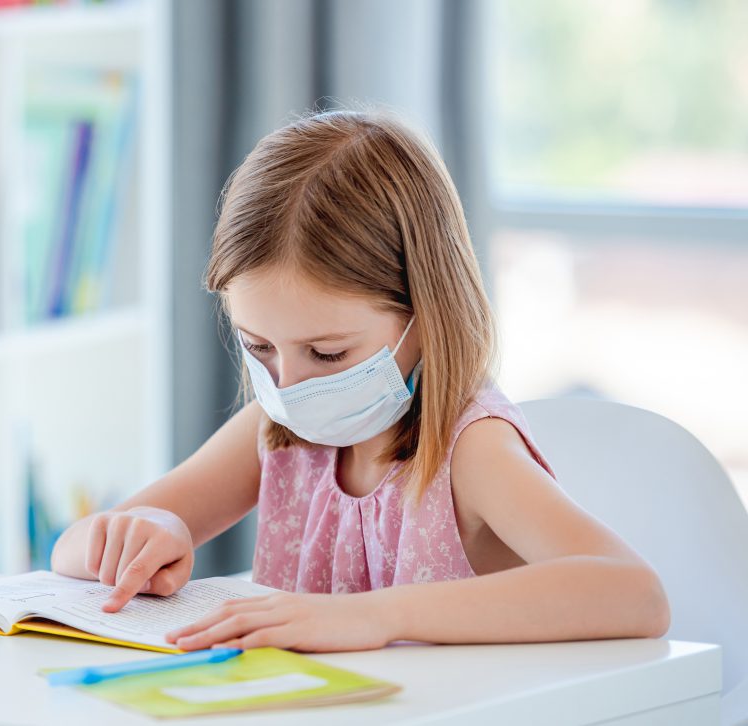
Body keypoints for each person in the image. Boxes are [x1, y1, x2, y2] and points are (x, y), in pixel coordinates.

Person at [50, 109, 670, 652]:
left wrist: (374, 618)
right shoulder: (275, 430)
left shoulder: (469, 452)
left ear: (425, 319)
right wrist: (142, 533)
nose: (288, 384)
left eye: (326, 352)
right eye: (258, 346)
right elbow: (70, 553)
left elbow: (635, 595)